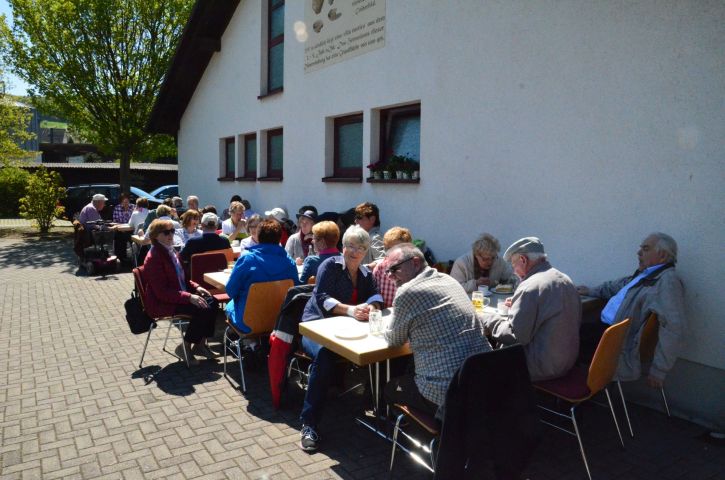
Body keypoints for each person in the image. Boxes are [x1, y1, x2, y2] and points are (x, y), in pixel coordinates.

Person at [298, 225, 383, 451]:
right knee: (325, 356)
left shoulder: (365, 273)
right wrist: (351, 310)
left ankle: (379, 407)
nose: (354, 251)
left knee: (384, 349)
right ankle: (309, 423)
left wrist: (371, 306)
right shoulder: (330, 266)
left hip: (345, 328)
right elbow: (322, 297)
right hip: (314, 325)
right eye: (350, 246)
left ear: (366, 252)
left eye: (360, 248)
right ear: (343, 247)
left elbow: (376, 294)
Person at [383, 243, 491, 418]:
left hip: (444, 394)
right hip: (481, 384)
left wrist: (384, 327)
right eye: (388, 271)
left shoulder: (408, 292)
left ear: (416, 262)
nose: (390, 276)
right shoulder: (449, 280)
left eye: (394, 269)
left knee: (389, 387)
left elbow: (393, 340)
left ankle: (409, 435)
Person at [576, 233, 685, 387]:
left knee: (561, 336)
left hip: (615, 344)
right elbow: (616, 286)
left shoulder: (667, 283)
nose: (638, 252)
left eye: (645, 249)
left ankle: (570, 394)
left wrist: (659, 370)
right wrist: (591, 291)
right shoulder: (647, 275)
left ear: (662, 255)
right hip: (605, 332)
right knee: (568, 330)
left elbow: (674, 328)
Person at [482, 237, 581, 381]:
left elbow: (514, 336)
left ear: (523, 260)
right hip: (567, 360)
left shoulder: (530, 286)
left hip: (542, 367)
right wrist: (519, 304)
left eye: (513, 264)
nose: (514, 271)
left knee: (478, 363)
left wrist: (487, 317)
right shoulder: (564, 279)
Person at [142, 219, 217, 365]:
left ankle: (200, 344)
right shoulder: (154, 257)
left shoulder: (171, 251)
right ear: (156, 235)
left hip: (177, 295)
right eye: (166, 232)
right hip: (162, 302)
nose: (171, 235)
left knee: (212, 301)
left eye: (172, 231)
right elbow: (161, 292)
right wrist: (189, 297)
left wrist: (196, 288)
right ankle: (186, 346)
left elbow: (184, 279)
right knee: (201, 308)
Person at [225, 220, 300, 334]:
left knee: (230, 305)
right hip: (280, 320)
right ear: (280, 239)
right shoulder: (290, 262)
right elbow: (296, 291)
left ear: (258, 237)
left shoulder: (247, 259)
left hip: (248, 321)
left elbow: (230, 291)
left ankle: (247, 343)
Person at [450, 233, 516, 294]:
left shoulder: (499, 261)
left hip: (493, 302)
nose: (490, 262)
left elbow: (510, 279)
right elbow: (454, 289)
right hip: (468, 302)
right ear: (476, 255)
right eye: (485, 259)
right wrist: (475, 284)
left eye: (492, 258)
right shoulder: (462, 263)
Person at [372, 227, 413, 308]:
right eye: (388, 248)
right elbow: (373, 293)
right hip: (384, 313)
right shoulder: (380, 267)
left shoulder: (413, 270)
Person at [354, 202, 385, 266]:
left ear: (372, 219)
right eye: (356, 218)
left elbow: (382, 260)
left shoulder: (375, 237)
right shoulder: (367, 236)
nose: (356, 221)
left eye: (359, 217)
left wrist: (366, 268)